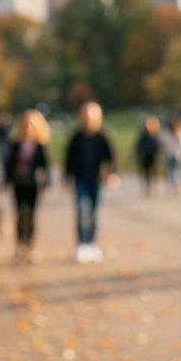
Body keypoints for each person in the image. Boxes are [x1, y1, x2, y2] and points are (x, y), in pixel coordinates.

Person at [64, 101, 118, 264]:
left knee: (94, 213)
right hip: (80, 179)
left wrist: (112, 174)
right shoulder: (77, 136)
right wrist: (66, 177)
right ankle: (82, 245)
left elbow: (111, 157)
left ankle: (92, 243)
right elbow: (69, 159)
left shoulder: (102, 135)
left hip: (96, 180)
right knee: (82, 212)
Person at [1, 110, 52, 264]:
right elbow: (8, 165)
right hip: (19, 184)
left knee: (30, 216)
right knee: (20, 215)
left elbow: (46, 166)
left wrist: (47, 184)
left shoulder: (40, 145)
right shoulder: (15, 144)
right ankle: (19, 246)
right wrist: (5, 182)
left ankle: (30, 247)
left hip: (33, 185)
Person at [159, 116, 181, 194]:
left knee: (179, 170)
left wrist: (179, 138)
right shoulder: (166, 132)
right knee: (170, 170)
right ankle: (172, 186)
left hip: (179, 155)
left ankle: (178, 185)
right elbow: (163, 142)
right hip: (169, 154)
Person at [135, 115, 161, 197]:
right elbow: (139, 146)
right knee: (147, 172)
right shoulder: (143, 136)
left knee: (152, 172)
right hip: (145, 156)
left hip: (152, 156)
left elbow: (157, 146)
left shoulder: (154, 135)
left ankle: (152, 186)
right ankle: (148, 186)